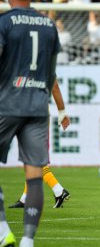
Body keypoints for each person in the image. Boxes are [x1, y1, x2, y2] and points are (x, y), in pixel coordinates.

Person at [0, 0, 60, 246]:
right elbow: (51, 71)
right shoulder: (49, 25)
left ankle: (3, 230)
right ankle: (27, 240)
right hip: (37, 105)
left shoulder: (5, 23)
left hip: (7, 103)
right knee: (34, 175)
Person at [8, 80, 71, 210]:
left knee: (35, 158)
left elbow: (54, 85)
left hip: (31, 114)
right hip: (32, 112)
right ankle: (26, 198)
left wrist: (62, 113)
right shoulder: (43, 62)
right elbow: (54, 86)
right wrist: (62, 112)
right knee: (31, 157)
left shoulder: (20, 63)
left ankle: (59, 190)